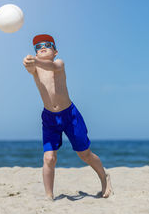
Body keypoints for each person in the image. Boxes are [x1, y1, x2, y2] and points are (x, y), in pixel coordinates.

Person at [22, 34, 113, 200]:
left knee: (84, 154)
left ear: (55, 51)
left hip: (70, 115)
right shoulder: (35, 68)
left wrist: (36, 61)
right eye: (37, 47)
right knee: (49, 158)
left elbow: (51, 66)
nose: (42, 47)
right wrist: (28, 63)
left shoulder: (58, 63)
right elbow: (30, 68)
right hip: (49, 118)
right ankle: (49, 195)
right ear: (35, 54)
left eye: (47, 45)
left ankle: (104, 177)